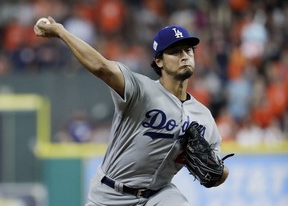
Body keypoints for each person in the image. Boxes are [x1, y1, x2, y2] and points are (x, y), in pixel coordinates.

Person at [34, 17, 230, 206]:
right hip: (111, 194)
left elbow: (218, 173)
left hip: (158, 195)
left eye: (188, 50)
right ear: (159, 61)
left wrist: (217, 171)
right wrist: (60, 31)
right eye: (175, 51)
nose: (184, 55)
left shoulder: (202, 116)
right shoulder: (141, 90)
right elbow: (102, 67)